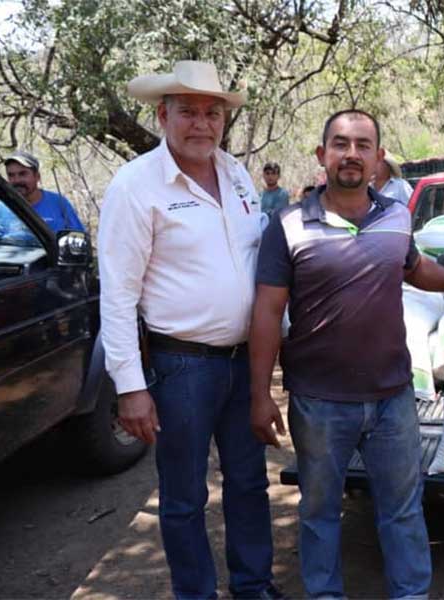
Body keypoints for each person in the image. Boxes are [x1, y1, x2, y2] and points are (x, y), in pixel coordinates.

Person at [248, 109, 444, 600]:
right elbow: (267, 311)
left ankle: (410, 594)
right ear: (322, 155)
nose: (352, 154)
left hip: (392, 398)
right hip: (319, 402)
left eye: (363, 145)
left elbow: (415, 268)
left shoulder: (396, 216)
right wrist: (260, 395)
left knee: (402, 509)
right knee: (319, 512)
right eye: (340, 144)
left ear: (379, 158)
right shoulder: (288, 225)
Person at [97, 60, 282, 600]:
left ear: (223, 120)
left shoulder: (237, 174)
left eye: (212, 114)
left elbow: (256, 261)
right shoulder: (135, 186)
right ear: (163, 115)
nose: (201, 124)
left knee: (249, 482)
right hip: (181, 367)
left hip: (243, 361)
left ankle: (253, 586)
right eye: (188, 112)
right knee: (183, 496)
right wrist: (130, 387)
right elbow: (118, 294)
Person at [0, 151, 86, 235]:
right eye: (11, 175)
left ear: (37, 176)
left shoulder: (59, 204)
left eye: (23, 174)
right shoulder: (0, 210)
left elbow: (79, 237)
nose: (17, 180)